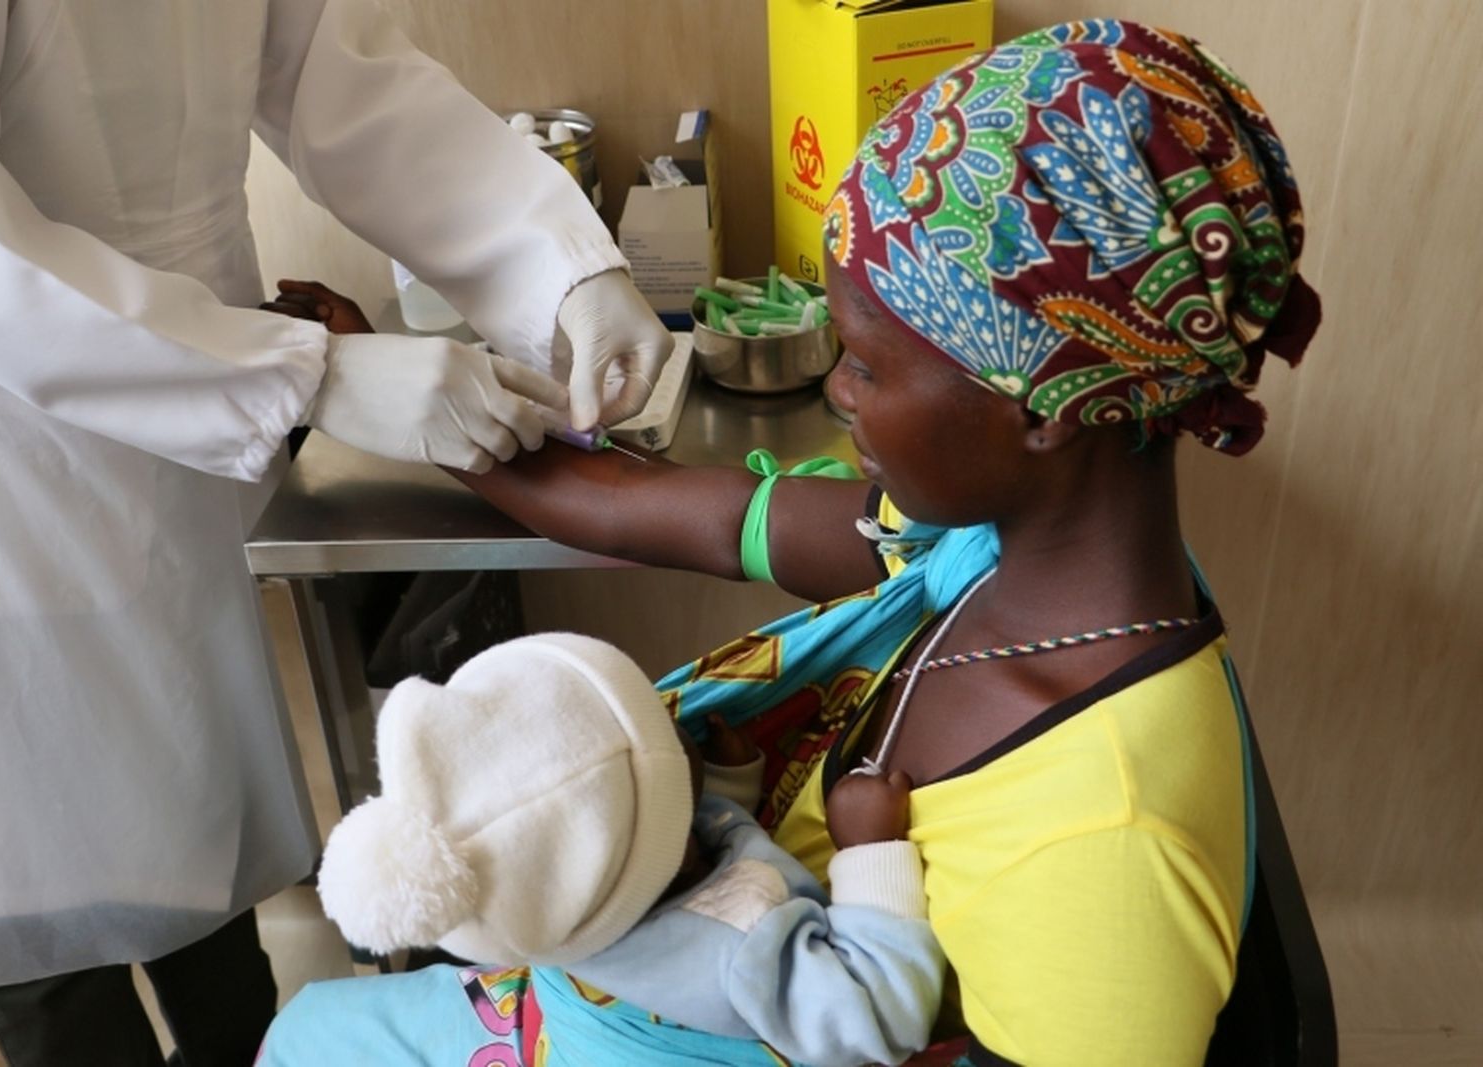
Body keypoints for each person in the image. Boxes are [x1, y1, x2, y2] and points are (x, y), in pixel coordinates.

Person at [261, 19, 1321, 1066]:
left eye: (864, 362)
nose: (834, 388)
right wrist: (422, 406)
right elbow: (665, 508)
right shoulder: (972, 550)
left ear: (1038, 408)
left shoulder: (1106, 843)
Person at [0, 2, 669, 1064]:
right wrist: (303, 371)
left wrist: (565, 265)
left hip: (179, 436)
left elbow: (340, 76)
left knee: (199, 845)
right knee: (39, 908)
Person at [261, 632, 944, 1066]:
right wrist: (871, 850)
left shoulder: (566, 901)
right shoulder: (739, 948)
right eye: (661, 719)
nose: (676, 709)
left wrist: (734, 784)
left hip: (567, 1009)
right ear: (673, 840)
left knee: (309, 1029)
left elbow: (670, 841)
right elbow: (879, 1017)